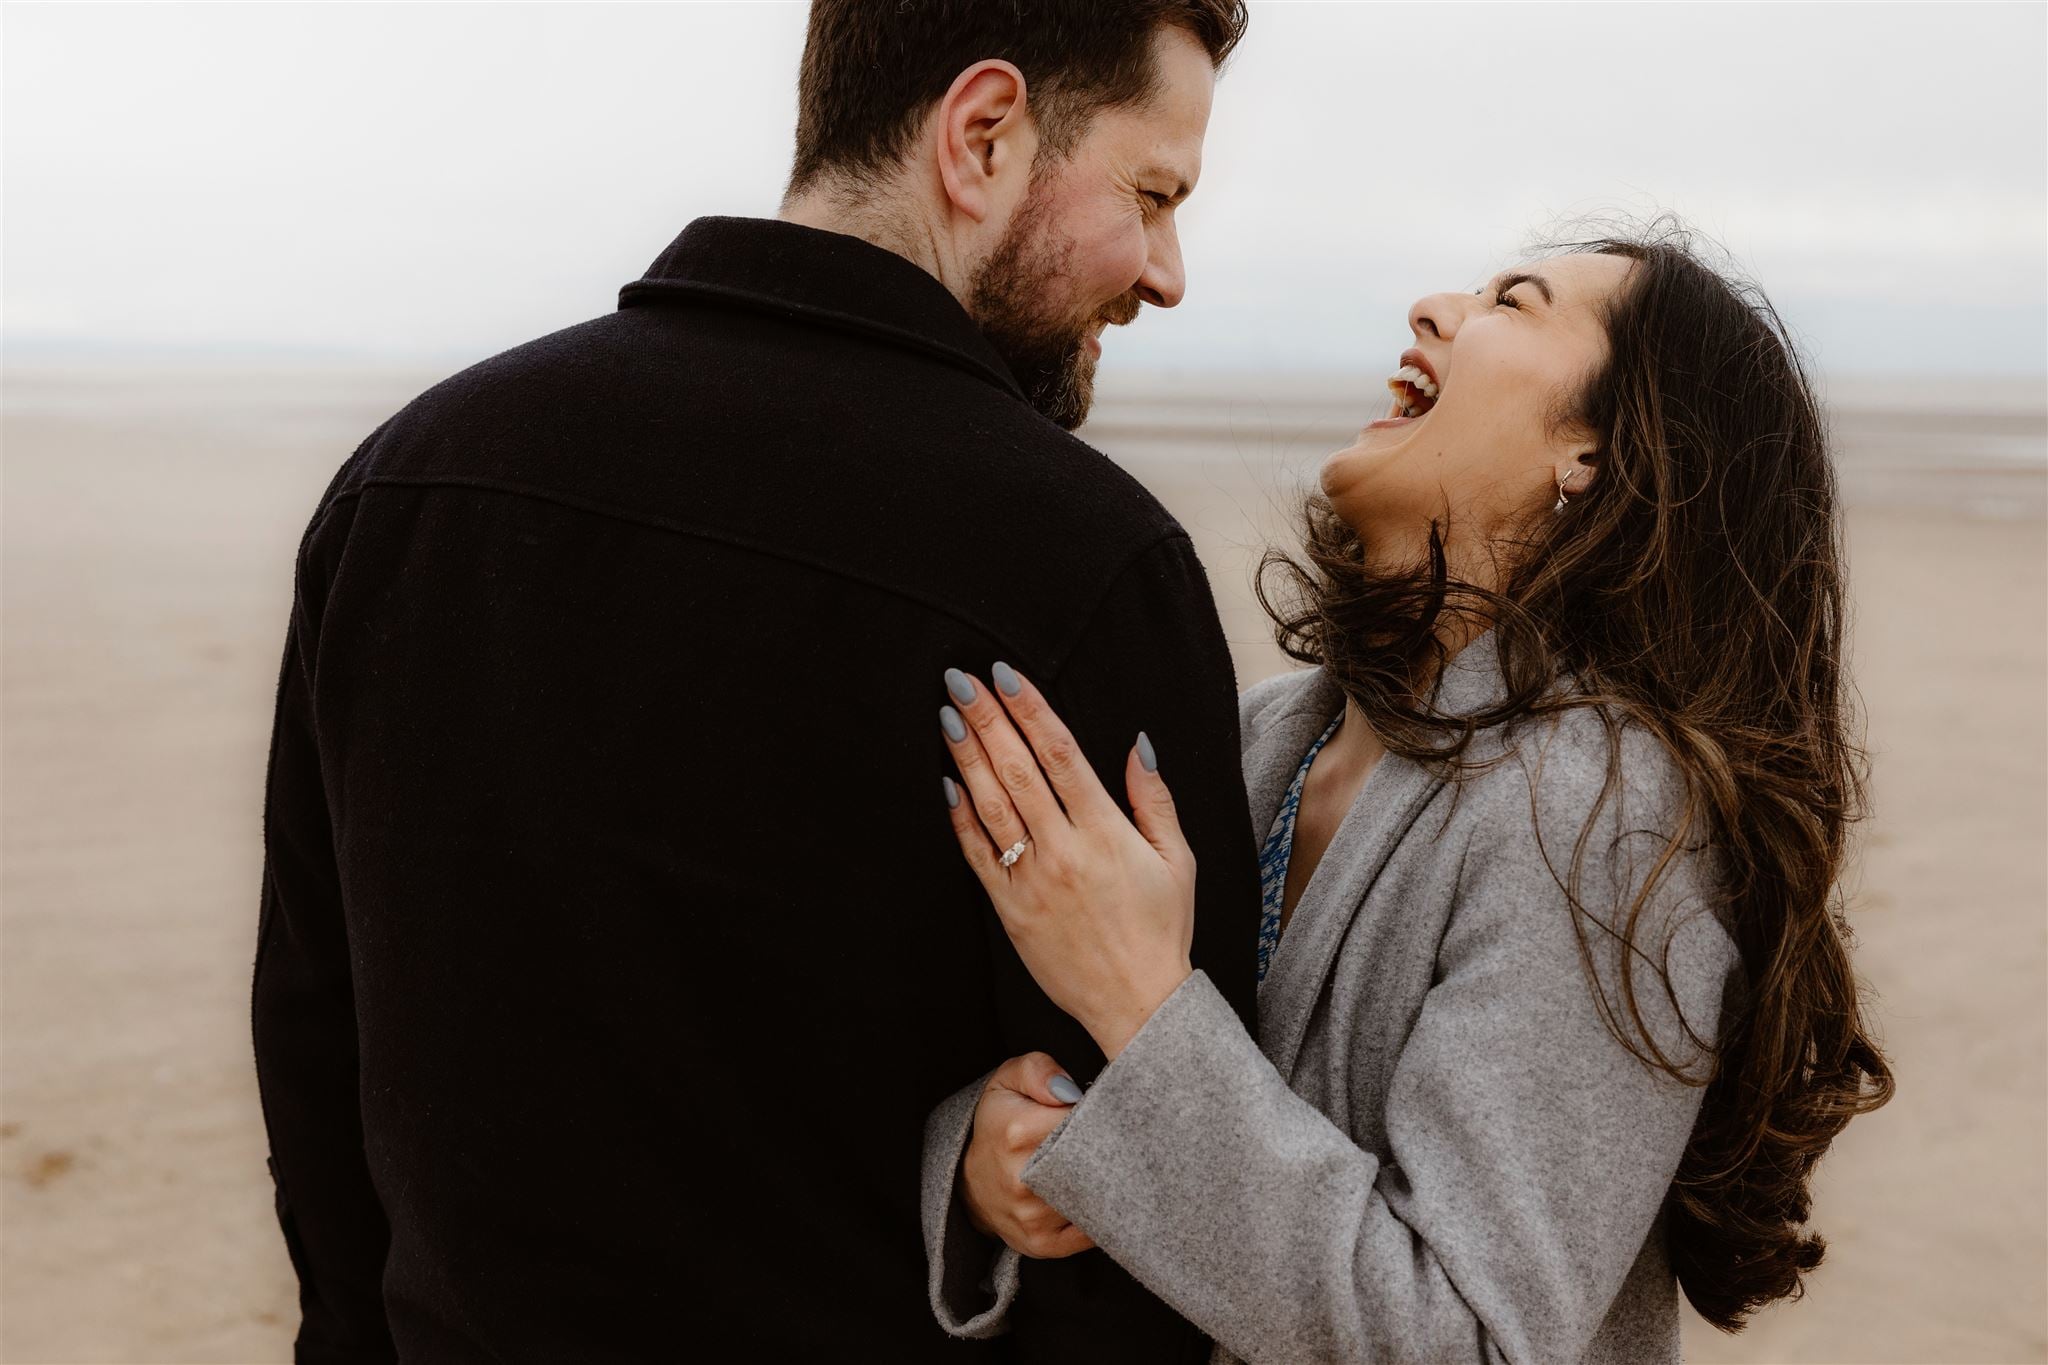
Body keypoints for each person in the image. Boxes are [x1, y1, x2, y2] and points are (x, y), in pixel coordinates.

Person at [250, 2, 1257, 1360]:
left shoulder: (408, 485)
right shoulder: (1086, 569)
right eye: (1151, 193)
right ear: (983, 135)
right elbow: (1147, 1214)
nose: (1165, 271)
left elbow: (317, 1047)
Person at [919, 224, 1896, 1363]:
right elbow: (1145, 1130)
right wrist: (983, 1161)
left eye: (1511, 302)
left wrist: (1137, 1003)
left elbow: (1473, 1339)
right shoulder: (1264, 732)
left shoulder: (1605, 816)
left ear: (1593, 451)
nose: (1431, 308)